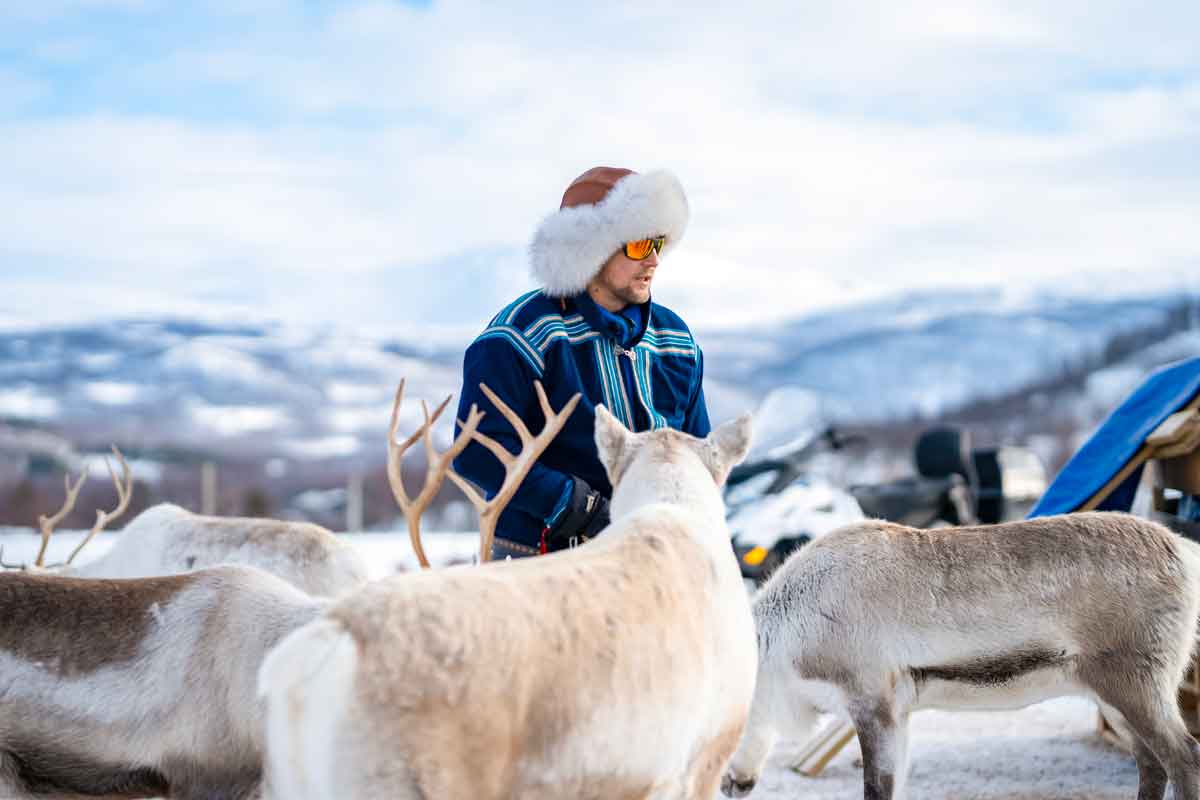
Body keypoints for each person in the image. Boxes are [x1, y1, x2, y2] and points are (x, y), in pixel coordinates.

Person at [453, 166, 711, 558]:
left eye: (659, 243)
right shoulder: (519, 337)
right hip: (540, 560)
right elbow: (478, 451)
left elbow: (697, 450)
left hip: (655, 556)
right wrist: (574, 504)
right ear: (589, 249)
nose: (655, 260)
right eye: (641, 245)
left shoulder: (676, 341)